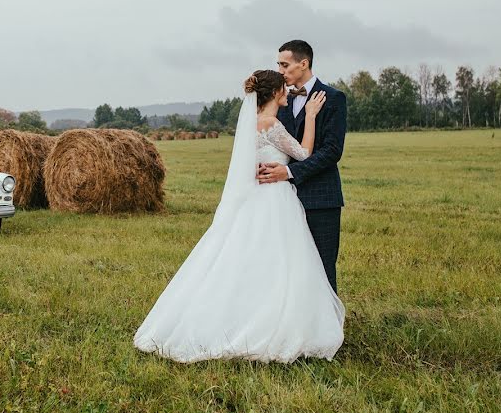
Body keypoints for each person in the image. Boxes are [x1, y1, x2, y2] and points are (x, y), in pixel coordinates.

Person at [133, 70, 344, 363]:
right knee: (281, 263)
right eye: (283, 88)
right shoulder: (272, 125)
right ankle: (274, 322)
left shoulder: (251, 125)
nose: (287, 90)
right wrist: (310, 117)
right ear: (275, 94)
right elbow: (305, 154)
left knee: (249, 261)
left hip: (254, 200)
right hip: (275, 200)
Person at [258, 40, 347, 293]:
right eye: (278, 65)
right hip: (281, 202)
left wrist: (288, 172)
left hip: (321, 199)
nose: (280, 70)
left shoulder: (333, 98)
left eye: (284, 65)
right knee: (288, 266)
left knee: (322, 266)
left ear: (303, 63)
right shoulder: (278, 101)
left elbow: (332, 151)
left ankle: (328, 328)